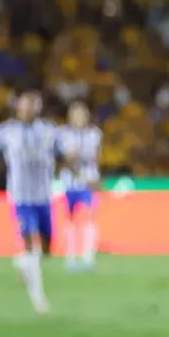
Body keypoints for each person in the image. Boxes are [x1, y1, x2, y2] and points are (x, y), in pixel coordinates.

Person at [0, 91, 64, 313]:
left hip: (44, 196)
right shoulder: (5, 131)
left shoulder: (50, 130)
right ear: (17, 108)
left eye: (32, 105)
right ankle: (39, 299)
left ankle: (25, 263)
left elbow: (61, 155)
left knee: (45, 248)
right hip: (21, 197)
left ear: (38, 107)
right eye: (24, 106)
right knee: (27, 241)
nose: (28, 109)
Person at [57, 102, 102, 271]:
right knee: (69, 220)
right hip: (70, 183)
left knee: (89, 219)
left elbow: (96, 157)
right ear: (70, 117)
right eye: (75, 114)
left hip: (89, 182)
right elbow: (62, 159)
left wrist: (95, 177)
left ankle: (88, 257)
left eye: (82, 114)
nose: (79, 118)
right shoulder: (62, 134)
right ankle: (70, 256)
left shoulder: (95, 134)